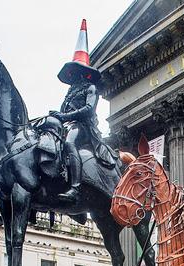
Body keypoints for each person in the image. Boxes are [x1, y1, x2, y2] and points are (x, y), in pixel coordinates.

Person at [50, 19, 116, 204]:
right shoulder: (70, 93)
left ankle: (76, 187)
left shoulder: (91, 89)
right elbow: (63, 111)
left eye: (77, 71)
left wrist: (64, 116)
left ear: (83, 72)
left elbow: (88, 110)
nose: (74, 76)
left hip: (84, 128)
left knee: (70, 144)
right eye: (72, 72)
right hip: (68, 125)